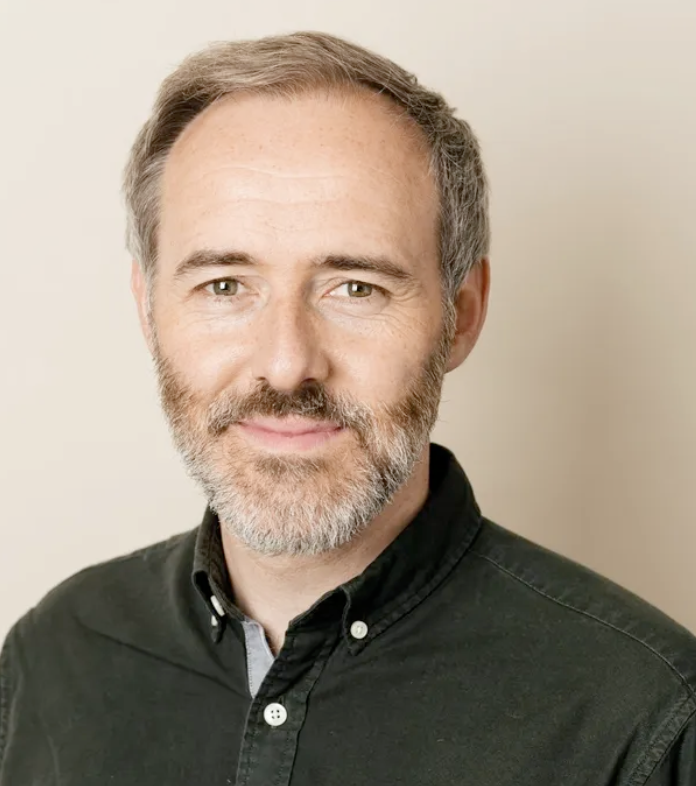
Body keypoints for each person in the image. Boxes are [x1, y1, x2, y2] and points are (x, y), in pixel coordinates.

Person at [1, 30, 694, 786]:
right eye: (225, 286)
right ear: (147, 310)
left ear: (461, 314)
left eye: (356, 287)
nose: (286, 363)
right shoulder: (52, 657)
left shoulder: (645, 719)